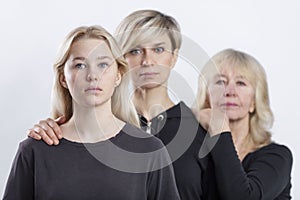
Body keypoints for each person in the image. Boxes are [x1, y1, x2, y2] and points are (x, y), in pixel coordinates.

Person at [27, 10, 207, 200]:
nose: (147, 61)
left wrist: (223, 133)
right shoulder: (39, 147)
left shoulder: (184, 134)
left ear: (117, 73)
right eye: (135, 51)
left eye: (158, 49)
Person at [3, 25, 180, 200]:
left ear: (118, 75)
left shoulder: (149, 151)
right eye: (80, 65)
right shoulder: (35, 151)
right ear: (63, 78)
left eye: (103, 64)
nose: (92, 75)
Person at [192, 48, 293, 199]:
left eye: (241, 83)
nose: (230, 91)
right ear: (206, 96)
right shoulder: (193, 153)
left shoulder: (277, 157)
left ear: (254, 101)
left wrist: (219, 127)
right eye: (221, 81)